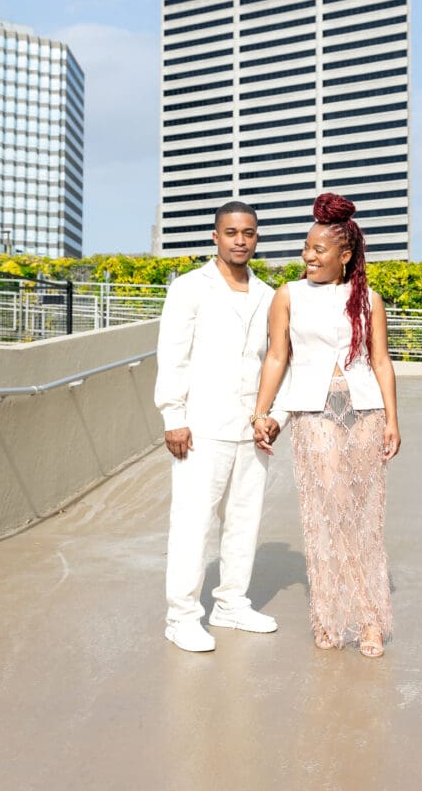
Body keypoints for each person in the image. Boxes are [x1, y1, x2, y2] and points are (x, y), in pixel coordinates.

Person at [252, 192, 400, 658]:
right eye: (306, 247)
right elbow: (277, 357)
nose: (308, 256)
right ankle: (342, 616)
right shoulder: (288, 295)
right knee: (330, 511)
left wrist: (394, 419)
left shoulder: (368, 299)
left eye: (319, 249)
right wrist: (262, 412)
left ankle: (365, 619)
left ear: (345, 255)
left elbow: (381, 360)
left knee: (364, 516)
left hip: (365, 413)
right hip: (314, 414)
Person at [154, 201, 286, 653]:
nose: (240, 240)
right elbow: (173, 354)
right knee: (192, 523)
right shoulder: (190, 288)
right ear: (215, 236)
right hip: (201, 425)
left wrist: (274, 415)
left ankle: (231, 603)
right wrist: (174, 416)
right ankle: (182, 615)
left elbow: (279, 360)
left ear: (256, 238)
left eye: (248, 232)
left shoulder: (269, 295)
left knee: (244, 521)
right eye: (231, 232)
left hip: (250, 427)